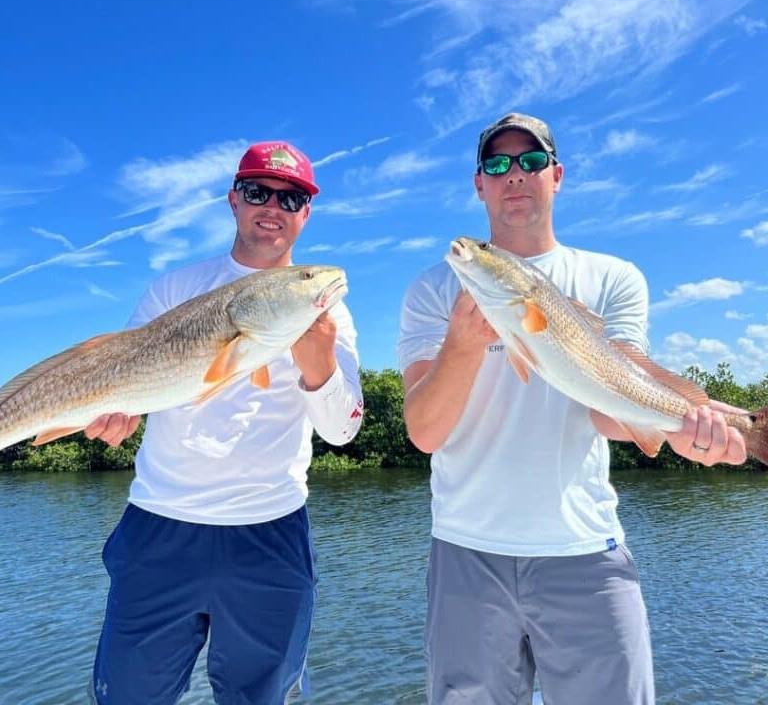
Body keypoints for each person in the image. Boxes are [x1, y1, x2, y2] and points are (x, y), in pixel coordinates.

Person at [398, 112, 747, 705]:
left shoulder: (613, 278)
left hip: (584, 549)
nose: (515, 175)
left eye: (531, 162)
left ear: (556, 177)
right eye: (497, 164)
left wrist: (688, 429)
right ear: (477, 183)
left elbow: (614, 410)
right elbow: (425, 432)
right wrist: (465, 340)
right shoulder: (435, 290)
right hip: (464, 550)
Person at [85, 141, 364, 705]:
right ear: (234, 199)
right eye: (259, 191)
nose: (273, 206)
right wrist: (115, 414)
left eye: (291, 198)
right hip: (161, 524)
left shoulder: (328, 314)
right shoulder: (172, 289)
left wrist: (320, 366)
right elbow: (128, 383)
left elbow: (343, 431)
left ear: (306, 213)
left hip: (271, 532)